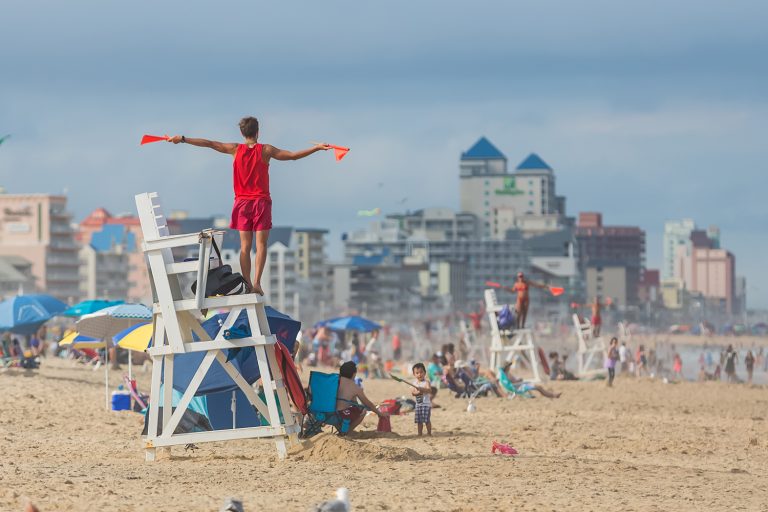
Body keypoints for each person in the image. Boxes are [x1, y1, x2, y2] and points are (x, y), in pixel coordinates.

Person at [169, 118, 330, 295]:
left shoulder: (235, 149)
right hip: (261, 203)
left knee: (245, 246)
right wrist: (317, 148)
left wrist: (183, 138)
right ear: (258, 132)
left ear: (242, 133)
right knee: (261, 245)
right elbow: (292, 156)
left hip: (242, 204)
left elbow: (209, 144)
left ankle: (247, 283)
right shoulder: (266, 150)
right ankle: (257, 283)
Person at [336, 361, 386, 433]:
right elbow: (368, 404)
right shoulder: (355, 387)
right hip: (340, 414)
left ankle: (341, 428)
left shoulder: (334, 380)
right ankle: (346, 432)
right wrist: (379, 413)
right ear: (353, 374)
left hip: (327, 411)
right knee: (363, 410)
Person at [411, 363, 433, 436]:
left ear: (425, 373)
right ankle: (419, 433)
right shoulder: (414, 383)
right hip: (418, 405)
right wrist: (418, 392)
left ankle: (429, 433)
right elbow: (413, 393)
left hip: (426, 404)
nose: (419, 374)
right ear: (414, 374)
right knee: (419, 421)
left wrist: (422, 389)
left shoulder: (426, 382)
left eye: (421, 372)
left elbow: (429, 390)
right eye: (417, 373)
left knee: (426, 420)